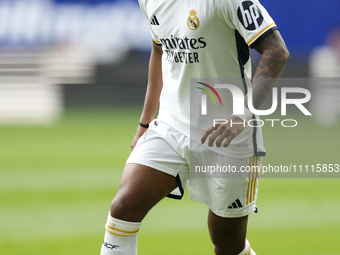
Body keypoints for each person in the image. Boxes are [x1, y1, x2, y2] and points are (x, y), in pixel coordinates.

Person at [100, 0, 289, 254]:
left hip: (228, 137)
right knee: (123, 208)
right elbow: (160, 50)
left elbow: (277, 50)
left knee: (227, 243)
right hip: (170, 125)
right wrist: (145, 122)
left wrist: (242, 114)